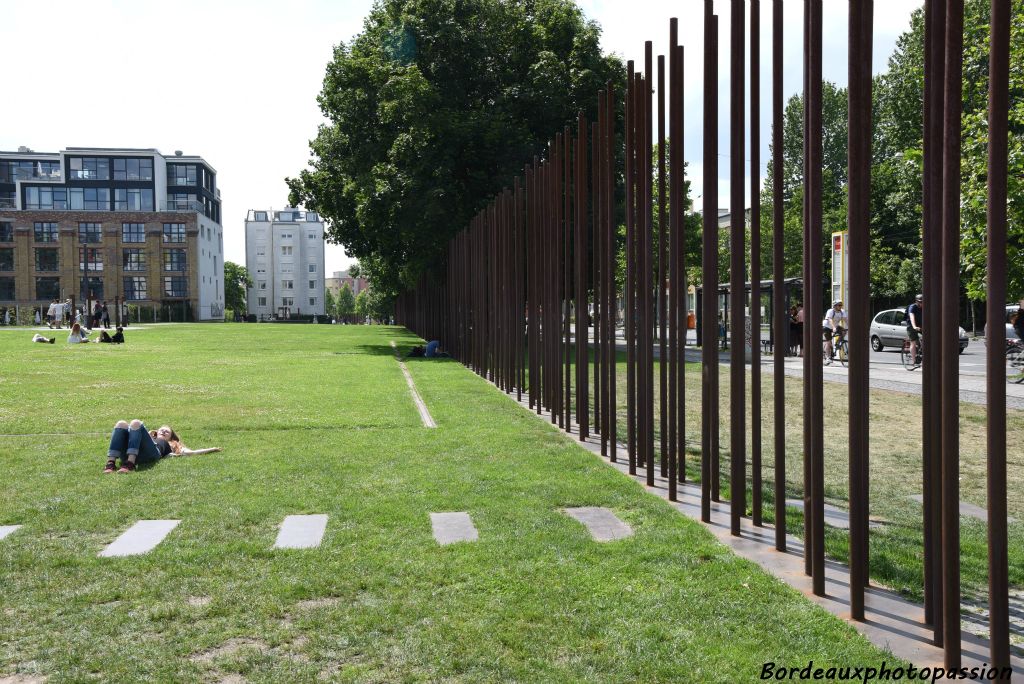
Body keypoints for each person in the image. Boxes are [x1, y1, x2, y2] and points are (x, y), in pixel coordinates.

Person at [907, 294, 923, 366]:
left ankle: (920, 351)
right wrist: (914, 326)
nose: (922, 303)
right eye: (920, 302)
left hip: (921, 325)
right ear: (916, 301)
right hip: (911, 326)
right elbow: (912, 317)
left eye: (923, 302)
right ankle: (914, 361)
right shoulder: (912, 307)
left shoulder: (924, 307)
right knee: (913, 342)